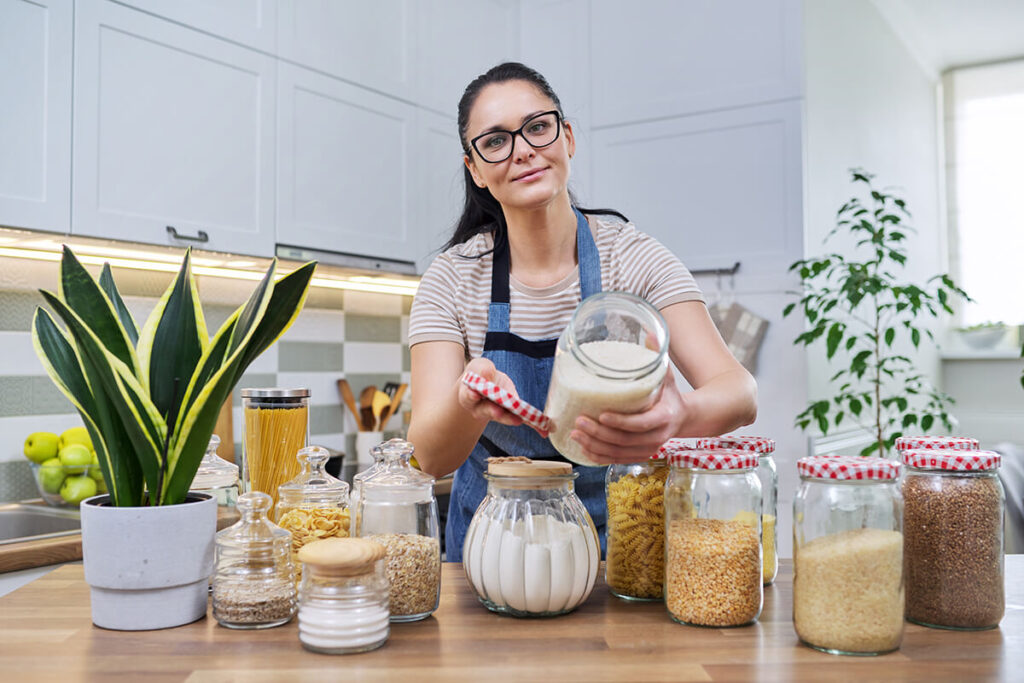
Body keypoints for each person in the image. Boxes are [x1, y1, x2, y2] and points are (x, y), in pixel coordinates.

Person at [407, 62, 757, 562]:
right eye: (495, 141)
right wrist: (470, 401)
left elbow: (740, 393)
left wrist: (683, 414)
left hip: (621, 549)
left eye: (537, 127)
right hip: (489, 552)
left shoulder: (634, 259)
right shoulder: (452, 278)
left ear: (567, 137)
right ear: (475, 170)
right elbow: (426, 457)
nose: (523, 149)